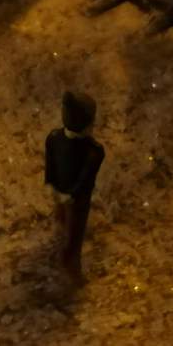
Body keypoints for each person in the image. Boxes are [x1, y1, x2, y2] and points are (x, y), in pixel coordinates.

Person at [44, 90, 105, 280]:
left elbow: (83, 178)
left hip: (71, 196)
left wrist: (64, 192)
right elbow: (53, 165)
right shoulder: (93, 150)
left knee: (69, 226)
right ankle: (70, 264)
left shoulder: (55, 138)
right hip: (74, 199)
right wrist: (52, 185)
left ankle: (65, 251)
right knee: (72, 230)